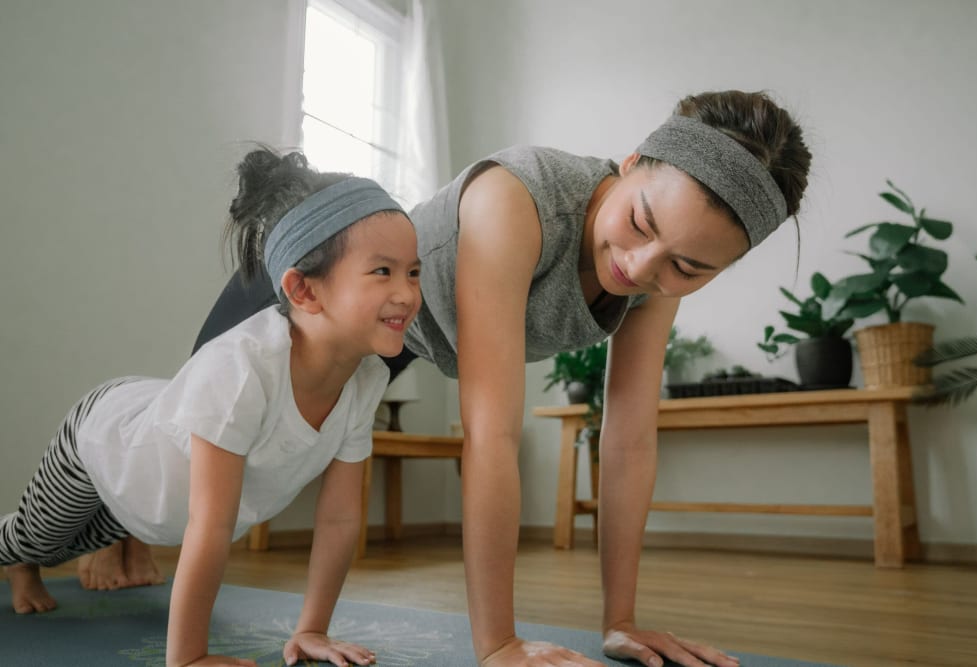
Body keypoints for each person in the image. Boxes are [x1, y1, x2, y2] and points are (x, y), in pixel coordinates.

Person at [97, 90, 812, 667]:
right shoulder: (520, 198)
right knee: (174, 444)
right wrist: (496, 643)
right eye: (641, 222)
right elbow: (492, 432)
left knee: (248, 471)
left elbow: (628, 439)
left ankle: (130, 533)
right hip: (329, 304)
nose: (641, 265)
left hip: (398, 339)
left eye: (688, 267)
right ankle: (112, 527)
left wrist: (619, 621)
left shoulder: (654, 280)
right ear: (629, 164)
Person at [1, 148, 422, 667]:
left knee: (80, 536)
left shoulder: (366, 378)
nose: (407, 293)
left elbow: (338, 519)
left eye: (415, 272)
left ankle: (31, 558)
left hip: (153, 496)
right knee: (37, 537)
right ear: (302, 290)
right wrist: (189, 658)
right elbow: (210, 523)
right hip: (102, 440)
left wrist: (312, 629)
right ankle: (20, 562)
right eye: (383, 271)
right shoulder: (243, 367)